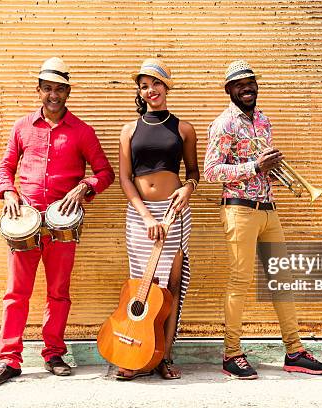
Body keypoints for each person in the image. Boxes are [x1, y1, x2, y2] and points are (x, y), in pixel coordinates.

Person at [0, 57, 115, 386]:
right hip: (24, 221)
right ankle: (8, 359)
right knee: (16, 292)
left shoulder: (82, 131)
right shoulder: (21, 127)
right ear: (39, 90)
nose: (53, 95)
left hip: (62, 226)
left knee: (59, 293)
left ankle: (54, 352)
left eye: (59, 89)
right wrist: (9, 193)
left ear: (68, 92)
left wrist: (86, 186)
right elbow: (5, 168)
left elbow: (105, 172)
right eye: (47, 88)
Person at [204, 60, 322, 379]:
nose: (247, 87)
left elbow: (264, 165)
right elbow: (210, 171)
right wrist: (254, 168)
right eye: (240, 84)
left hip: (268, 209)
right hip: (239, 209)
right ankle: (231, 354)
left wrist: (272, 169)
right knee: (239, 282)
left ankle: (295, 351)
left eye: (251, 82)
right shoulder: (223, 124)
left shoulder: (263, 120)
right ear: (228, 90)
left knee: (281, 280)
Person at [117, 58, 199, 380]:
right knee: (142, 286)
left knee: (171, 285)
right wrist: (145, 214)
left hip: (175, 213)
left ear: (167, 87)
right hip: (141, 217)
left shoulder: (184, 129)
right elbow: (125, 178)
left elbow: (193, 172)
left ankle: (164, 355)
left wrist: (188, 190)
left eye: (156, 83)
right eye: (144, 86)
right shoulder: (128, 130)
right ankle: (135, 353)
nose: (151, 90)